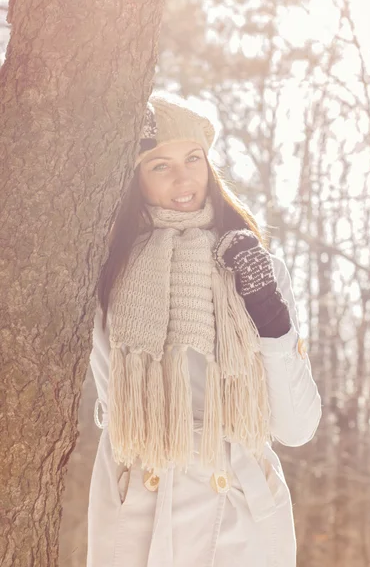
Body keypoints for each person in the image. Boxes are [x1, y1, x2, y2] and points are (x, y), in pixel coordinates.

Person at [86, 93, 322, 567]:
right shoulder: (106, 273)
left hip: (240, 513)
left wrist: (268, 313)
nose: (183, 178)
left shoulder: (259, 269)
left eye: (193, 158)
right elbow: (116, 399)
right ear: (134, 179)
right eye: (160, 165)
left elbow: (296, 429)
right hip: (142, 505)